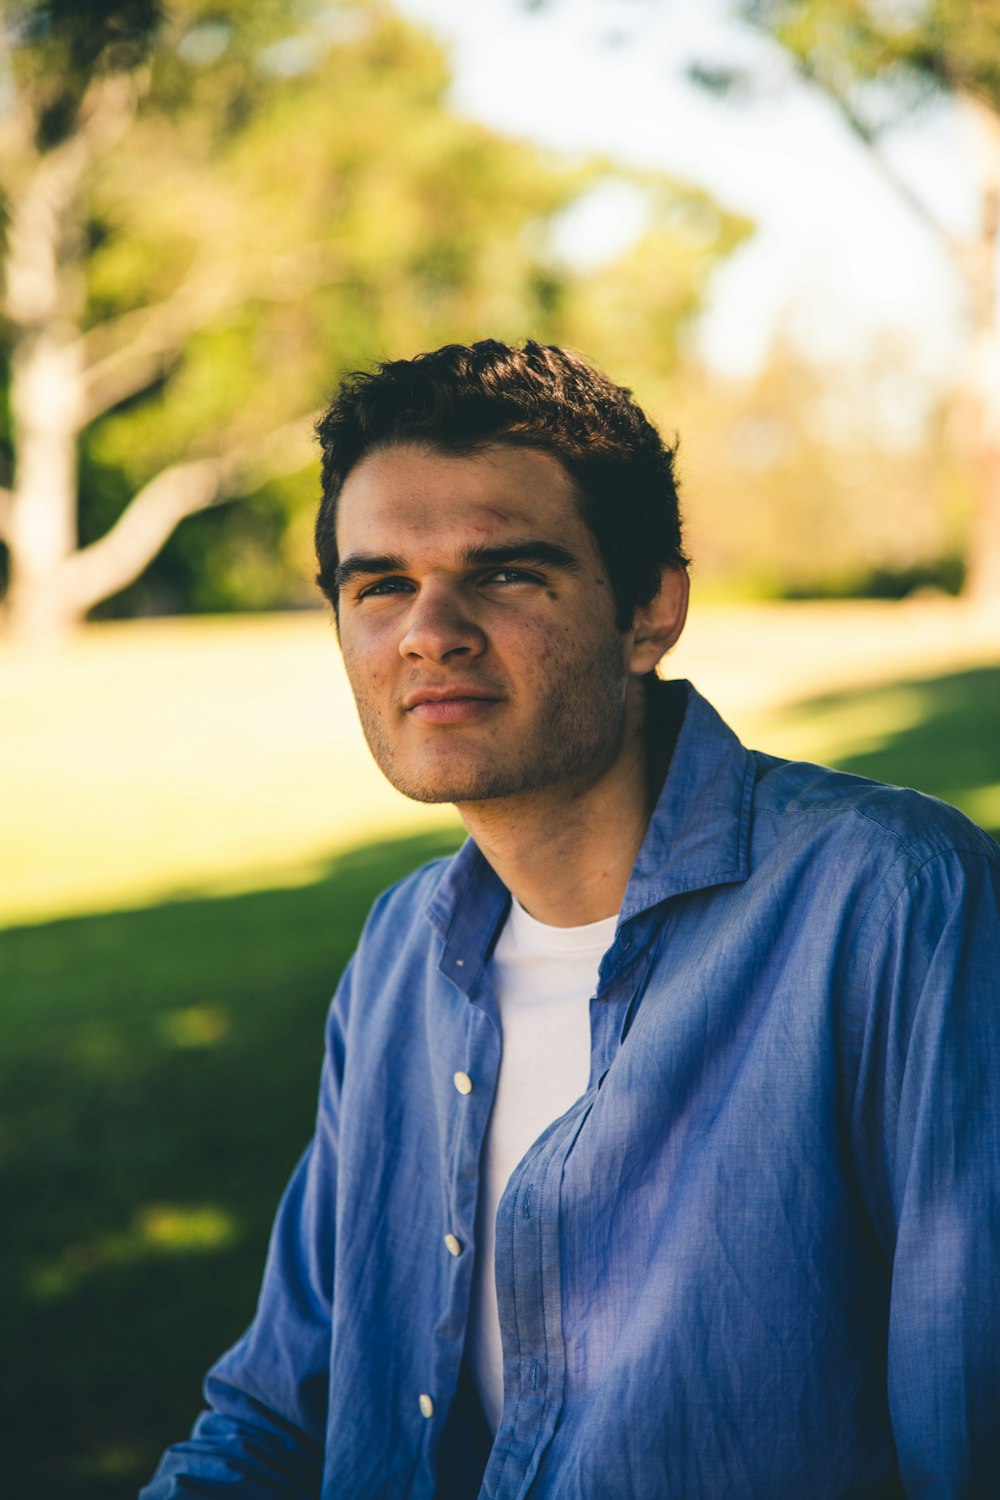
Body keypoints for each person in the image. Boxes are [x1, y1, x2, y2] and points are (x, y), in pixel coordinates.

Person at [142, 340, 1000, 1500]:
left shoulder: (893, 902)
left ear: (650, 610)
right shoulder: (402, 952)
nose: (427, 631)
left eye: (505, 574)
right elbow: (274, 1412)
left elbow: (972, 1430)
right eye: (379, 582)